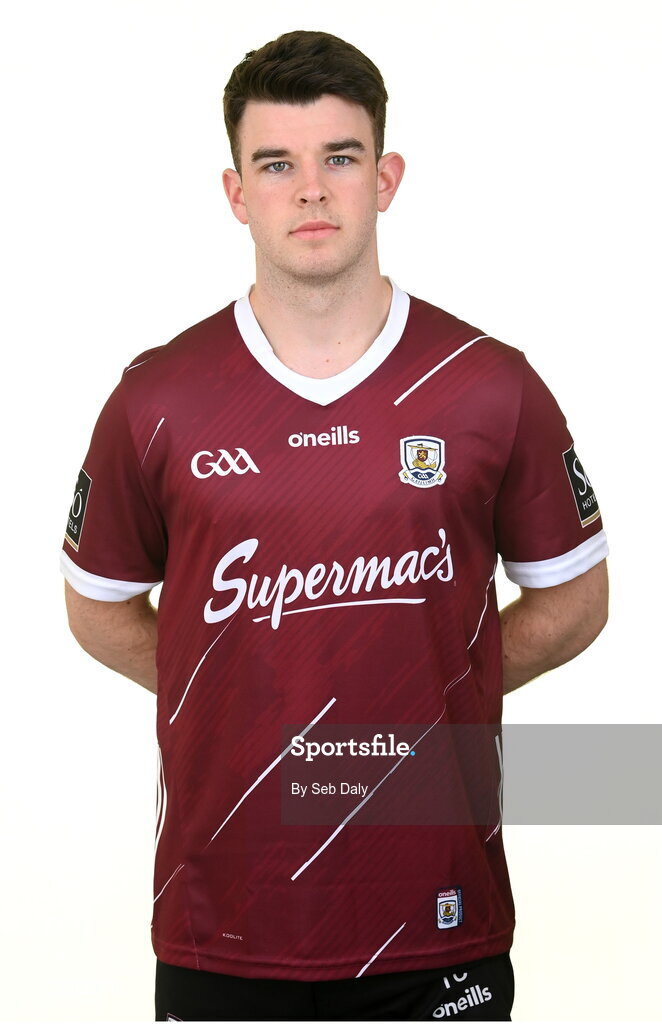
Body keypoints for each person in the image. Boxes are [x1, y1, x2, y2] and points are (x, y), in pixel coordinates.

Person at [61, 29, 609, 1022]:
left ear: (385, 177)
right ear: (236, 192)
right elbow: (97, 607)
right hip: (221, 918)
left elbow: (573, 598)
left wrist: (433, 691)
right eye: (276, 163)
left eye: (339, 158)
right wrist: (228, 687)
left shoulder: (487, 385)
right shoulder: (159, 399)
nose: (309, 190)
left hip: (440, 916)